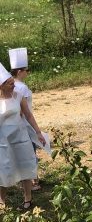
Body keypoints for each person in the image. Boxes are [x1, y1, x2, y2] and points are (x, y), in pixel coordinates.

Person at [0, 62, 46, 211]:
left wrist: (38, 132)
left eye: (13, 82)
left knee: (25, 167)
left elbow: (29, 115)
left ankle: (28, 200)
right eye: (9, 84)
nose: (13, 85)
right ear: (1, 86)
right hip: (3, 141)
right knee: (4, 169)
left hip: (20, 138)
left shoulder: (19, 95)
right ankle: (2, 202)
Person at [9, 48, 41, 191]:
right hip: (26, 124)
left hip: (14, 124)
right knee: (30, 151)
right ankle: (35, 181)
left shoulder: (10, 86)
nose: (28, 72)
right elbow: (25, 110)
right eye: (26, 70)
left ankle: (24, 178)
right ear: (20, 71)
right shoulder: (23, 88)